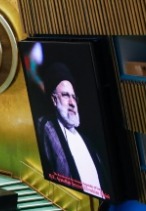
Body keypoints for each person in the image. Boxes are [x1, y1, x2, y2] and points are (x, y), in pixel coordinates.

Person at [36, 63, 106, 198]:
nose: (72, 103)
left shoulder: (87, 142)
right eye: (66, 95)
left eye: (74, 97)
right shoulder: (45, 128)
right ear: (54, 100)